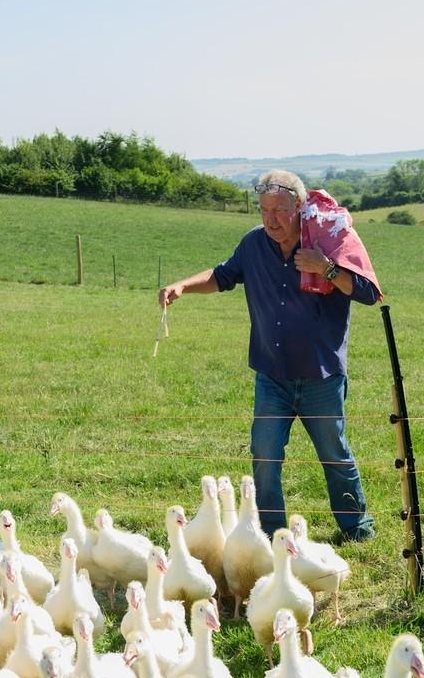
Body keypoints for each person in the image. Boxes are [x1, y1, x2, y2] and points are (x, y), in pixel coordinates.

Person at [158, 169, 379, 542]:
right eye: (264, 210)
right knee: (264, 454)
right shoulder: (253, 245)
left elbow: (367, 292)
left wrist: (325, 268)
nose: (271, 219)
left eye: (279, 210)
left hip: (321, 374)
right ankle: (271, 534)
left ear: (299, 206)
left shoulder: (326, 239)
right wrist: (183, 286)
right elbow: (223, 276)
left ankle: (357, 528)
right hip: (272, 374)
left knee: (334, 453)